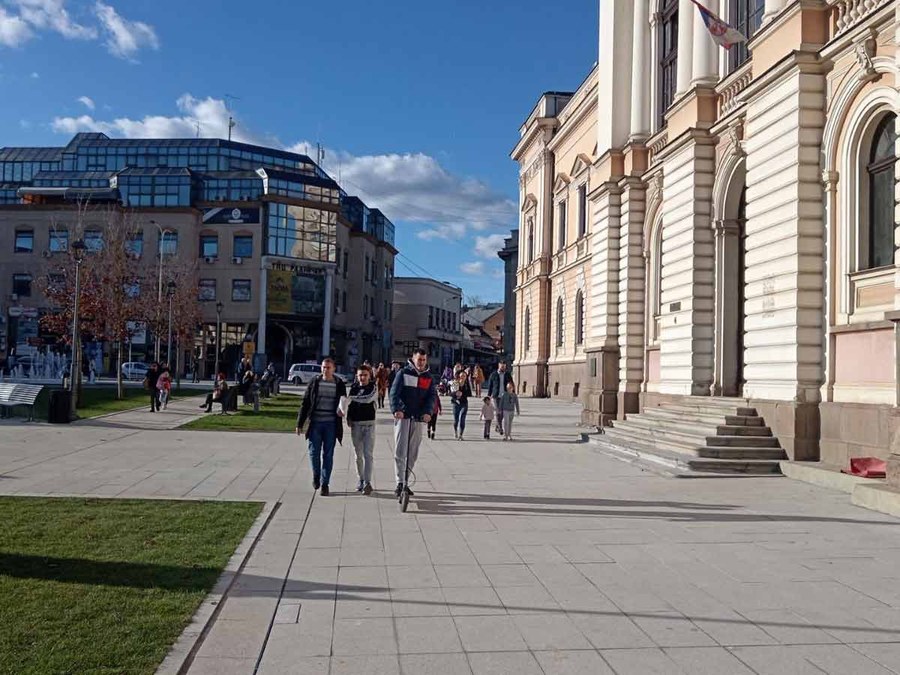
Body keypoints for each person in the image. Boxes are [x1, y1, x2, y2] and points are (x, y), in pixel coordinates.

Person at [295, 358, 346, 496]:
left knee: (328, 454)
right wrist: (299, 423)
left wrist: (342, 410)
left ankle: (325, 484)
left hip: (331, 424)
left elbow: (343, 401)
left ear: (334, 369)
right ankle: (316, 475)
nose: (325, 370)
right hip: (315, 423)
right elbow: (305, 402)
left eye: (328, 367)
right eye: (323, 367)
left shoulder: (339, 383)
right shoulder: (315, 382)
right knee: (313, 452)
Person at [389, 348, 436, 497]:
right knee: (400, 451)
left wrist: (428, 412)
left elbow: (431, 397)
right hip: (403, 417)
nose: (421, 362)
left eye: (423, 360)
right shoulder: (403, 373)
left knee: (412, 453)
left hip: (418, 418)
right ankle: (399, 482)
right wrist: (396, 409)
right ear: (413, 359)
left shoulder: (428, 377)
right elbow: (394, 393)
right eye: (419, 359)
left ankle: (405, 481)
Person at [347, 364, 377, 495]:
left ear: (369, 376)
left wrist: (351, 399)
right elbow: (350, 405)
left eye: (365, 375)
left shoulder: (373, 387)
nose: (362, 378)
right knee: (358, 454)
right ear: (357, 376)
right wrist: (348, 417)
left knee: (368, 454)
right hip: (356, 424)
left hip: (369, 423)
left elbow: (368, 399)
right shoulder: (353, 388)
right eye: (360, 375)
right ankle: (361, 478)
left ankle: (367, 482)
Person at [487, 361, 515, 434]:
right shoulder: (493, 374)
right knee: (497, 412)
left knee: (502, 413)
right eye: (502, 366)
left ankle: (497, 425)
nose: (503, 368)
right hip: (496, 396)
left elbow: (511, 385)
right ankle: (500, 427)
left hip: (505, 396)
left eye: (504, 366)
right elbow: (490, 386)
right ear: (498, 366)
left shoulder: (507, 375)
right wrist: (488, 396)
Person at [451, 370, 472, 441]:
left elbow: (469, 393)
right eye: (462, 375)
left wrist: (462, 393)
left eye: (464, 376)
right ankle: (455, 432)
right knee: (456, 420)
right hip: (455, 403)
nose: (463, 377)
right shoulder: (455, 383)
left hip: (464, 403)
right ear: (459, 376)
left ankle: (461, 435)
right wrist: (456, 394)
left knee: (462, 418)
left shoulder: (466, 384)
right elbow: (451, 393)